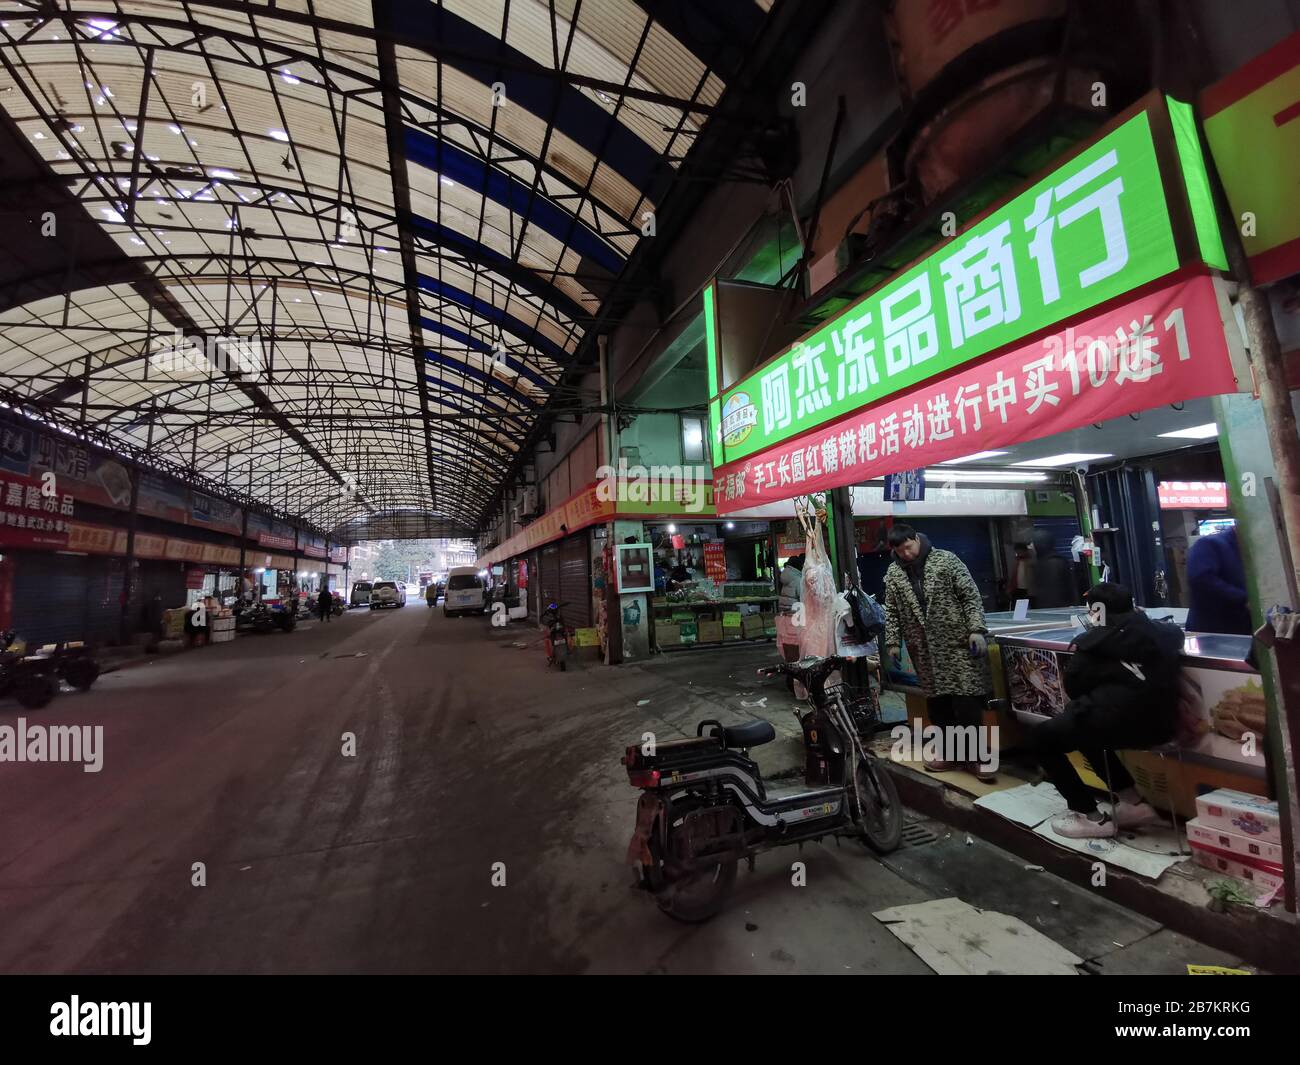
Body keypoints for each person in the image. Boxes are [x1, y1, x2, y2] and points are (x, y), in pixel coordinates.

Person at [1029, 582, 1184, 838]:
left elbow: (1073, 686)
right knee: (1085, 730)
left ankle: (1089, 816)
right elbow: (1173, 635)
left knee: (1042, 738)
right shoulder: (1164, 633)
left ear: (1095, 612)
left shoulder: (1093, 643)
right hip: (1164, 727)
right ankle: (1132, 803)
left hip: (1118, 727)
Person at [883, 523, 995, 781]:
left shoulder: (946, 560)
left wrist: (976, 629)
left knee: (966, 703)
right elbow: (891, 611)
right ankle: (951, 753)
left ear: (915, 539)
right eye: (900, 551)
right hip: (923, 650)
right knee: (938, 706)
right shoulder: (894, 574)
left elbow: (970, 596)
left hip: (956, 645)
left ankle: (978, 757)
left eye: (908, 548)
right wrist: (892, 642)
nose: (906, 555)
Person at [1185, 524, 1251, 634]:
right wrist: (1244, 599)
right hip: (1214, 633)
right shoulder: (1210, 544)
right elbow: (1200, 579)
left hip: (1242, 631)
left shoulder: (1247, 551)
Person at [1029, 528, 1078, 609]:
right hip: (1050, 611)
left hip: (1057, 611)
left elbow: (1054, 593)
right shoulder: (1045, 562)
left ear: (1040, 544)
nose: (1030, 546)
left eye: (1033, 543)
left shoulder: (1054, 563)